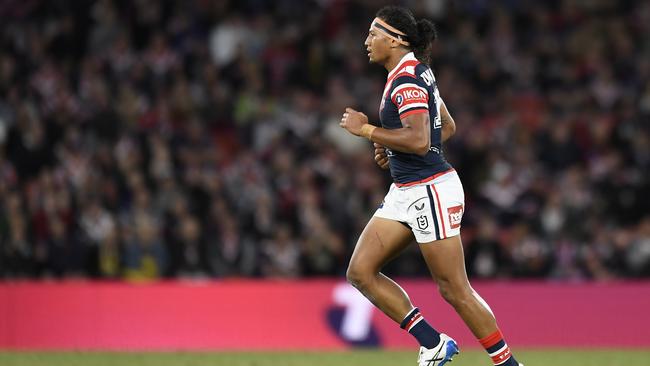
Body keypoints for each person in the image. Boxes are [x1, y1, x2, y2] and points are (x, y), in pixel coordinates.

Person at [339, 6, 523, 366]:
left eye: (374, 34)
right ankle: (433, 343)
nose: (367, 42)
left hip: (429, 189)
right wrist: (394, 148)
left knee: (454, 289)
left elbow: (423, 140)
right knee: (360, 271)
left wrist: (366, 130)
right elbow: (446, 127)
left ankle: (509, 365)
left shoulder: (406, 79)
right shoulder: (414, 73)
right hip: (407, 188)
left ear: (396, 40)